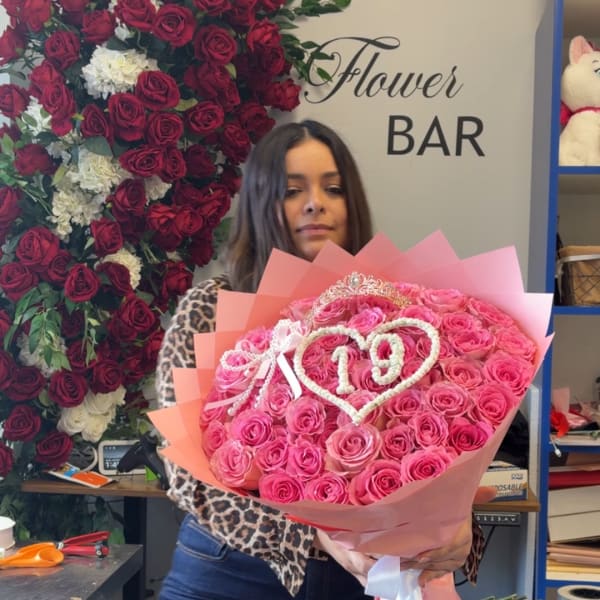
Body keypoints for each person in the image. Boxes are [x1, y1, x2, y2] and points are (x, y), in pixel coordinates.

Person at [156, 119, 491, 600]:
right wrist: (313, 536)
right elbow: (188, 480)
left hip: (357, 579)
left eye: (333, 188)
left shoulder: (397, 316)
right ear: (261, 202)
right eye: (292, 190)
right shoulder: (211, 308)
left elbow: (430, 453)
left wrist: (456, 533)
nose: (316, 203)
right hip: (231, 570)